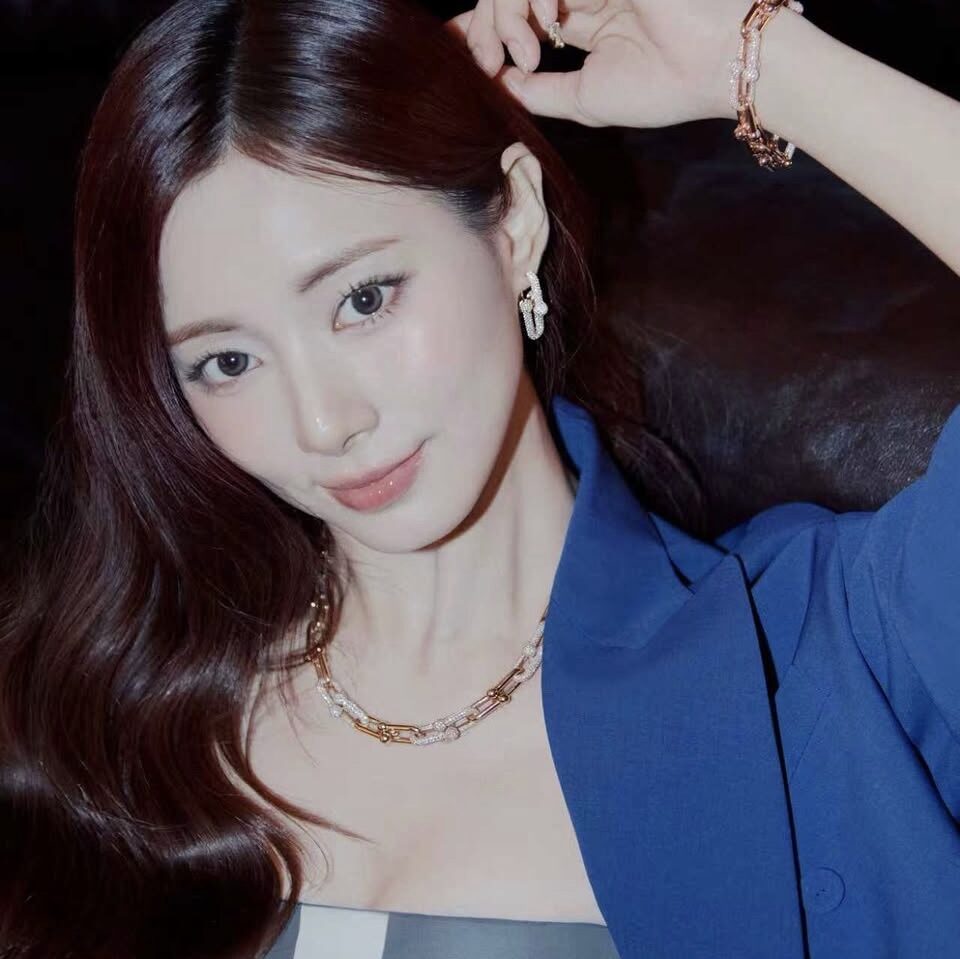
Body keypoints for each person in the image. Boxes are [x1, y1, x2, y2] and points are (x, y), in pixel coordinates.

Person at [1, 0, 957, 957]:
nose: (325, 423)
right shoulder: (98, 730)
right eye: (228, 361)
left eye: (362, 300)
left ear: (516, 225)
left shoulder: (823, 650)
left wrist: (753, 58)